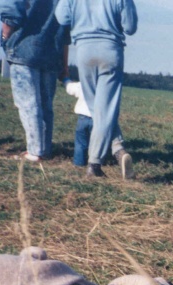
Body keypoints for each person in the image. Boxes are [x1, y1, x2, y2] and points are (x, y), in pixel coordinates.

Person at [54, 0, 137, 179]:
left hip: (84, 50)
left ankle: (117, 150)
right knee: (105, 109)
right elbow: (130, 27)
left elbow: (61, 17)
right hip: (111, 50)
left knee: (96, 108)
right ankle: (96, 163)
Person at [0, 0, 68, 162]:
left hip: (24, 45)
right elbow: (67, 24)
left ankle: (35, 152)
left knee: (28, 104)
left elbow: (11, 9)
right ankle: (44, 149)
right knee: (45, 104)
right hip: (53, 49)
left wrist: (5, 37)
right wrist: (64, 64)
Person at [62, 78, 134, 178]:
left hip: (82, 120)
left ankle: (79, 163)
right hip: (96, 120)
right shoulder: (104, 88)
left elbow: (70, 89)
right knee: (95, 142)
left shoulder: (83, 84)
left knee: (80, 142)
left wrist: (65, 80)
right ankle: (94, 162)